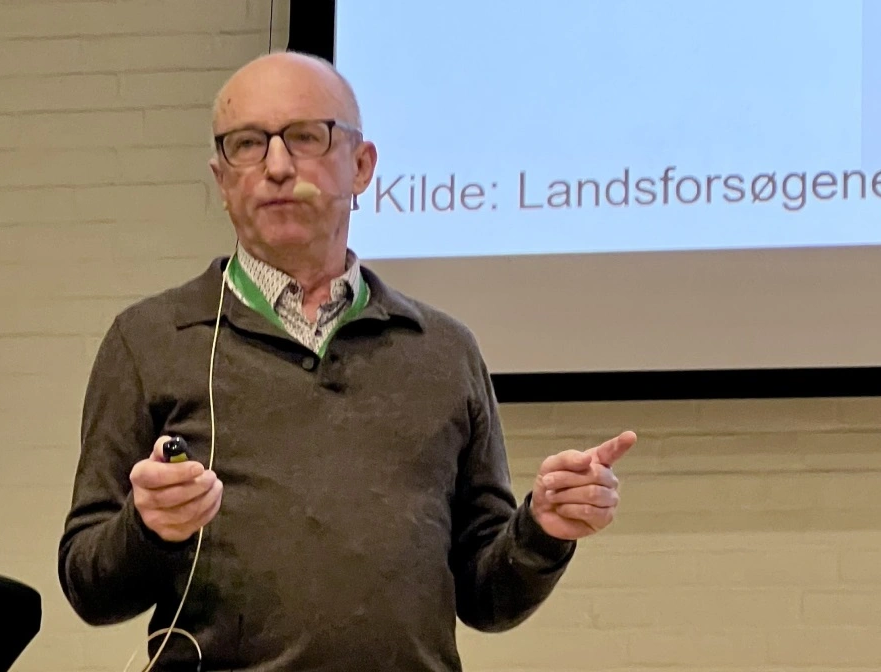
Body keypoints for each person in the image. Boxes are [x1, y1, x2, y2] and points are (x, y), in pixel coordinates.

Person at [57, 51, 636, 671]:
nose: (276, 167)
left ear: (361, 166)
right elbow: (89, 587)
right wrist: (146, 528)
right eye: (247, 144)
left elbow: (486, 598)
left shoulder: (442, 349)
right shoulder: (150, 340)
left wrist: (543, 529)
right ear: (222, 180)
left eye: (305, 137)